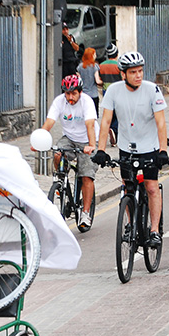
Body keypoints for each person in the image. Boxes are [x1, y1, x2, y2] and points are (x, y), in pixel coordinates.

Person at [92, 51, 169, 247]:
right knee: (128, 187)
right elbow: (105, 121)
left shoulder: (152, 90)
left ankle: (154, 230)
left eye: (140, 71)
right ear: (123, 74)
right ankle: (130, 223)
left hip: (150, 147)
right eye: (133, 72)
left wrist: (163, 150)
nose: (138, 75)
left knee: (151, 187)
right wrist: (101, 150)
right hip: (126, 147)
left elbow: (161, 123)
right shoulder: (113, 91)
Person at [38, 74, 98, 229]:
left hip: (87, 139)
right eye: (67, 93)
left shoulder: (87, 102)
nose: (70, 97)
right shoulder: (59, 101)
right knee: (58, 153)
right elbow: (49, 122)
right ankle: (61, 179)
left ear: (80, 92)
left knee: (86, 175)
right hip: (69, 138)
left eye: (74, 93)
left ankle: (85, 213)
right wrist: (39, 139)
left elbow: (90, 125)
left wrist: (91, 145)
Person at [98, 43, 121, 146]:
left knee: (109, 112)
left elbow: (100, 79)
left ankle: (111, 129)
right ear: (116, 53)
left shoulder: (101, 65)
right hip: (118, 91)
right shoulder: (118, 65)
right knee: (117, 113)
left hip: (106, 91)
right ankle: (115, 131)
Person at [77, 47, 102, 115]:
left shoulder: (80, 67)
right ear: (92, 56)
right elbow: (97, 81)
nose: (96, 56)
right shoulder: (95, 66)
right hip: (93, 94)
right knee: (93, 115)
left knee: (84, 114)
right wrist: (103, 82)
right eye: (94, 54)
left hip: (83, 94)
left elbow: (78, 80)